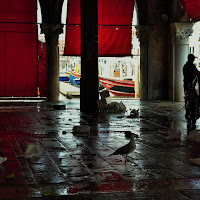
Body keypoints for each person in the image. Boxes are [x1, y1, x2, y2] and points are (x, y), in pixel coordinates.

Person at [183, 54, 200, 132]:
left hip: (189, 87)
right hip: (189, 87)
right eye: (193, 59)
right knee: (191, 102)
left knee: (190, 101)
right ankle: (190, 113)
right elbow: (194, 73)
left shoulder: (189, 66)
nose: (193, 60)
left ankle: (189, 112)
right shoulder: (188, 67)